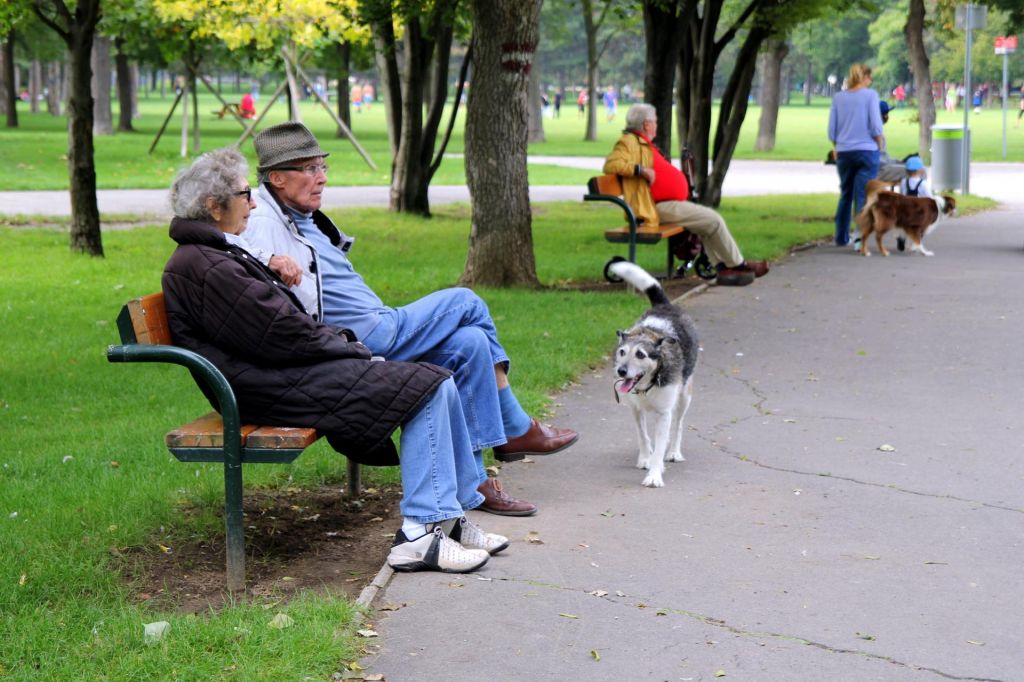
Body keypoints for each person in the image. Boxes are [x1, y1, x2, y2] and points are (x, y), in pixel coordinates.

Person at [162, 148, 508, 573]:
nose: (252, 202)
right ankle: (419, 534)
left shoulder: (214, 253)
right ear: (214, 207)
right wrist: (352, 348)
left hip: (280, 375)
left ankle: (448, 519)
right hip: (263, 387)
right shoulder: (205, 264)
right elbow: (279, 333)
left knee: (437, 379)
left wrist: (338, 340)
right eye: (244, 193)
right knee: (427, 386)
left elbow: (277, 326)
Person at [243, 123, 579, 518]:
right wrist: (268, 259)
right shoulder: (264, 219)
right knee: (468, 301)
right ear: (277, 177)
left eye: (322, 167)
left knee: (471, 343)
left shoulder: (299, 213)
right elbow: (233, 243)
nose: (322, 178)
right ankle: (514, 427)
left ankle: (476, 482)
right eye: (310, 169)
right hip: (366, 336)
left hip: (375, 324)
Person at [603, 103, 769, 287]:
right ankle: (740, 265)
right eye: (655, 122)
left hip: (665, 204)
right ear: (647, 124)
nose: (657, 125)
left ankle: (723, 268)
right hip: (653, 208)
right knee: (713, 220)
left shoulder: (643, 143)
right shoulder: (629, 142)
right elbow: (611, 165)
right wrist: (640, 169)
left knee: (707, 223)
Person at [828, 63, 884, 247]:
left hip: (844, 152)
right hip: (867, 150)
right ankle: (860, 236)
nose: (871, 81)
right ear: (865, 76)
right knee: (863, 196)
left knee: (845, 194)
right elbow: (876, 125)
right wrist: (880, 144)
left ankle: (841, 236)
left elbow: (832, 131)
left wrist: (839, 145)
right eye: (870, 77)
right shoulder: (870, 95)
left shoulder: (838, 98)